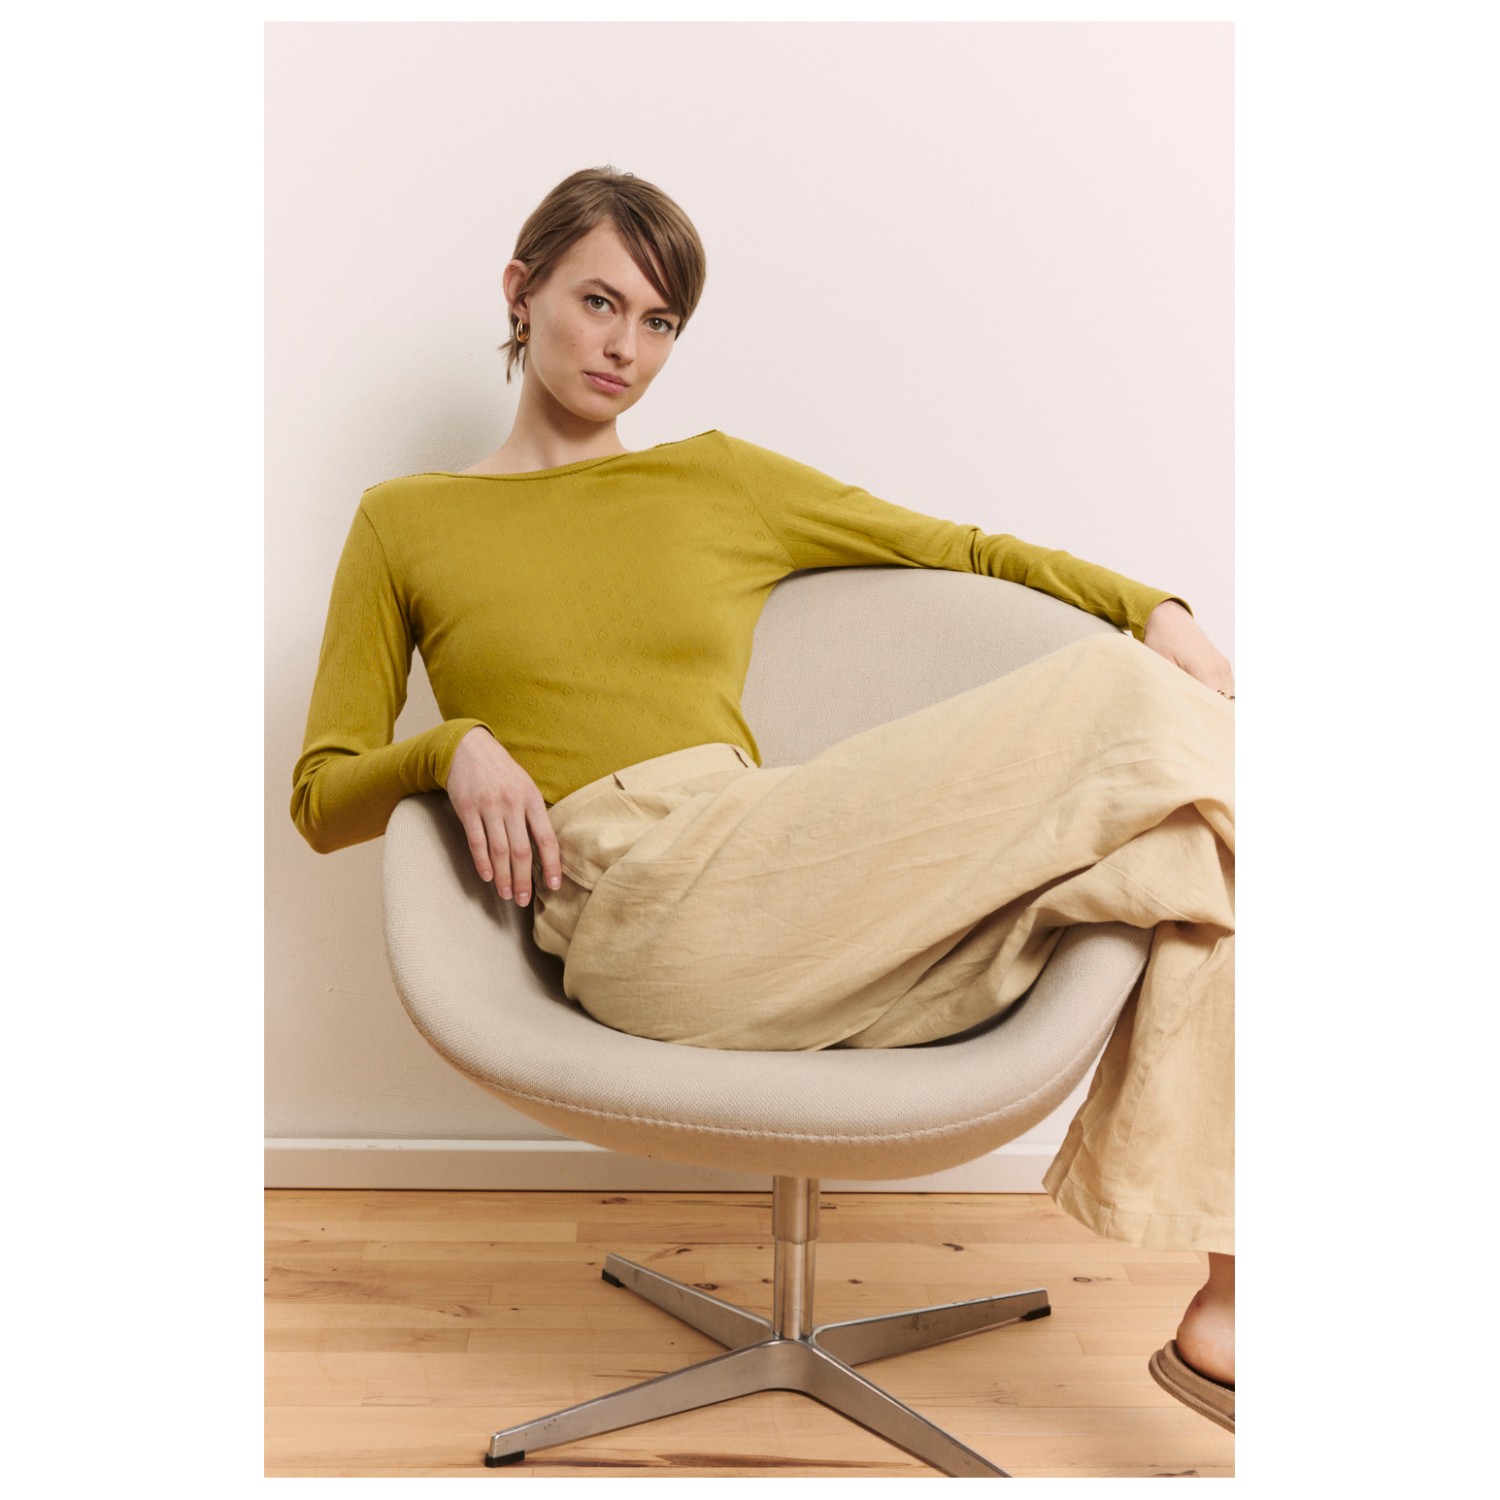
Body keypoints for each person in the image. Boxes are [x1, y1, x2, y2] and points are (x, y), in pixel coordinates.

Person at [291, 166, 1236, 1435]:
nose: (625, 348)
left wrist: (1152, 606)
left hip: (777, 871)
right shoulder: (407, 521)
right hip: (637, 906)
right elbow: (320, 794)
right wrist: (447, 748)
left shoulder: (719, 480)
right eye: (598, 302)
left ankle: (1231, 1305)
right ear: (521, 291)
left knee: (1188, 849)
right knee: (1134, 707)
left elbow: (957, 548)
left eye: (660, 322)